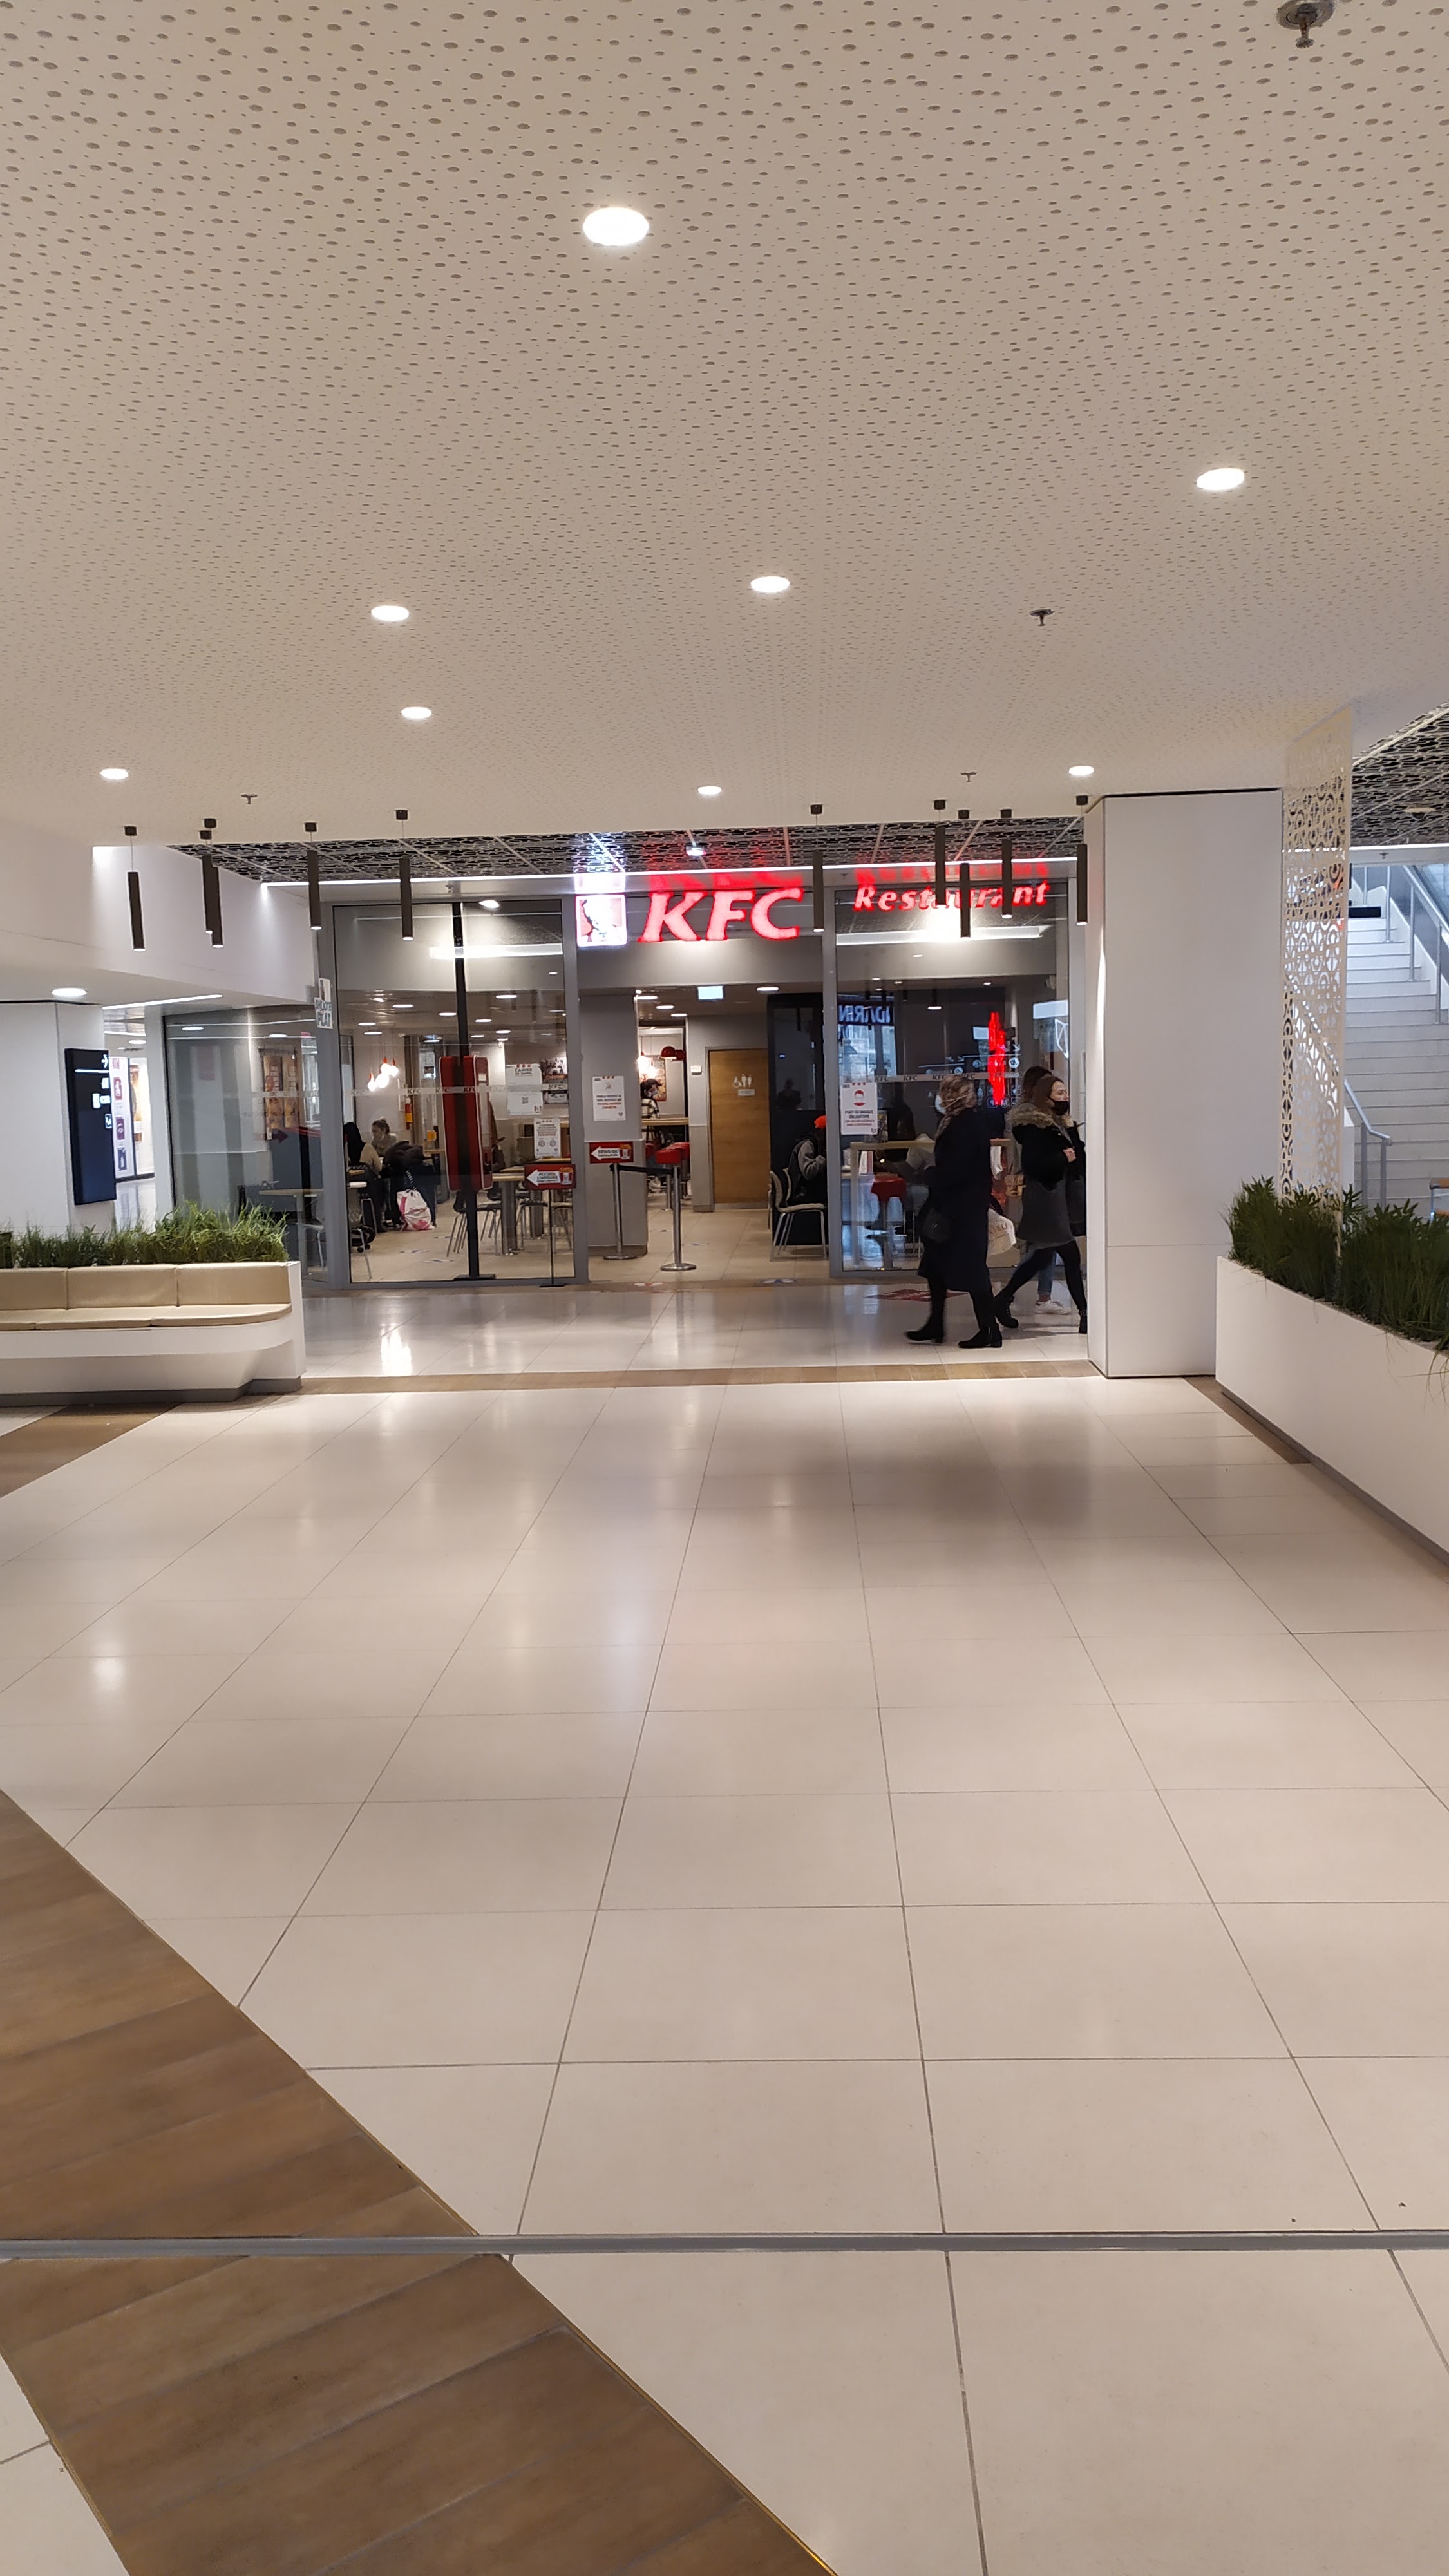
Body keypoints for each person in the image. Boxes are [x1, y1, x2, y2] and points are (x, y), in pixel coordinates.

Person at [905, 1072, 1007, 1348]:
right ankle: (936, 1323)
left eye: (945, 1093)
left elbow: (956, 1170)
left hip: (961, 1209)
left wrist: (929, 1174)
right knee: (936, 1266)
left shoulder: (963, 1126)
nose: (941, 1098)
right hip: (957, 1206)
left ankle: (989, 1329)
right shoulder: (963, 1122)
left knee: (972, 1269)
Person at [995, 1075, 1088, 1333]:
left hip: (1060, 1196)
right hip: (1046, 1197)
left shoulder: (1061, 1123)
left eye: (1065, 1092)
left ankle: (1003, 1299)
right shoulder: (1034, 1127)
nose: (1065, 1097)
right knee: (1070, 1254)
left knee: (1043, 1256)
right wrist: (1063, 1157)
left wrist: (1072, 1137)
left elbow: (1079, 1157)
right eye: (1060, 1093)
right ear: (1045, 1097)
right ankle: (1085, 1313)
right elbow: (1035, 1164)